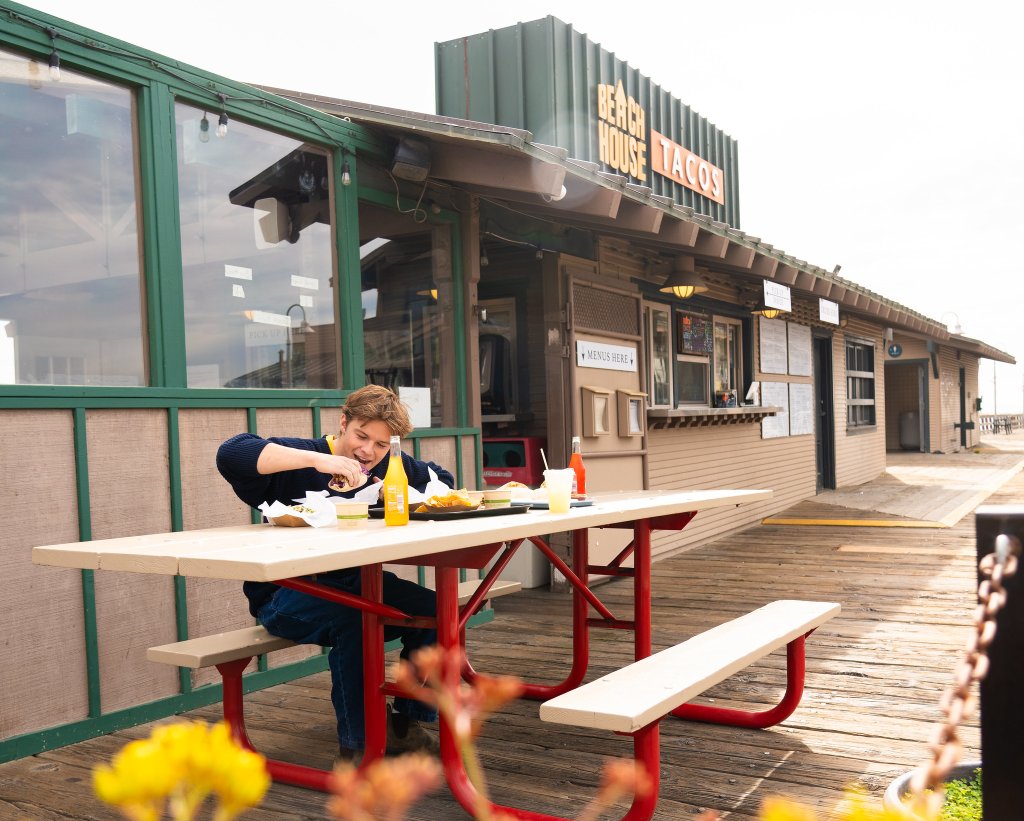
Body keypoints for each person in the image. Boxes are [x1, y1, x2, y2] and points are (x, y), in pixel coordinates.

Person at [215, 384, 454, 761]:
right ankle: (360, 746)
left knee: (440, 611)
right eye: (361, 436)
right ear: (343, 422)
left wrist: (398, 489)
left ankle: (407, 723)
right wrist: (319, 462)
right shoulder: (305, 457)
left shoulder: (387, 465)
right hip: (284, 592)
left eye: (381, 443)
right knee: (356, 622)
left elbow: (444, 482)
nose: (367, 451)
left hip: (358, 583)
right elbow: (232, 453)